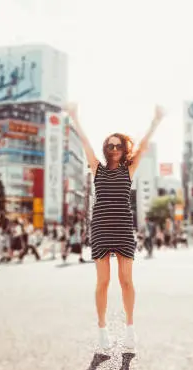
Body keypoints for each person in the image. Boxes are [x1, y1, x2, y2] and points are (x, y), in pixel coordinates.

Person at [66, 102, 165, 352]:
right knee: (103, 282)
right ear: (105, 149)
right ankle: (102, 330)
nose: (113, 149)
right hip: (100, 227)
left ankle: (130, 330)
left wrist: (155, 121)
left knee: (126, 281)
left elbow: (143, 146)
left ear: (123, 148)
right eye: (109, 145)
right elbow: (86, 143)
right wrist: (75, 117)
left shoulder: (128, 169)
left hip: (122, 226)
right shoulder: (96, 168)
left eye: (117, 145)